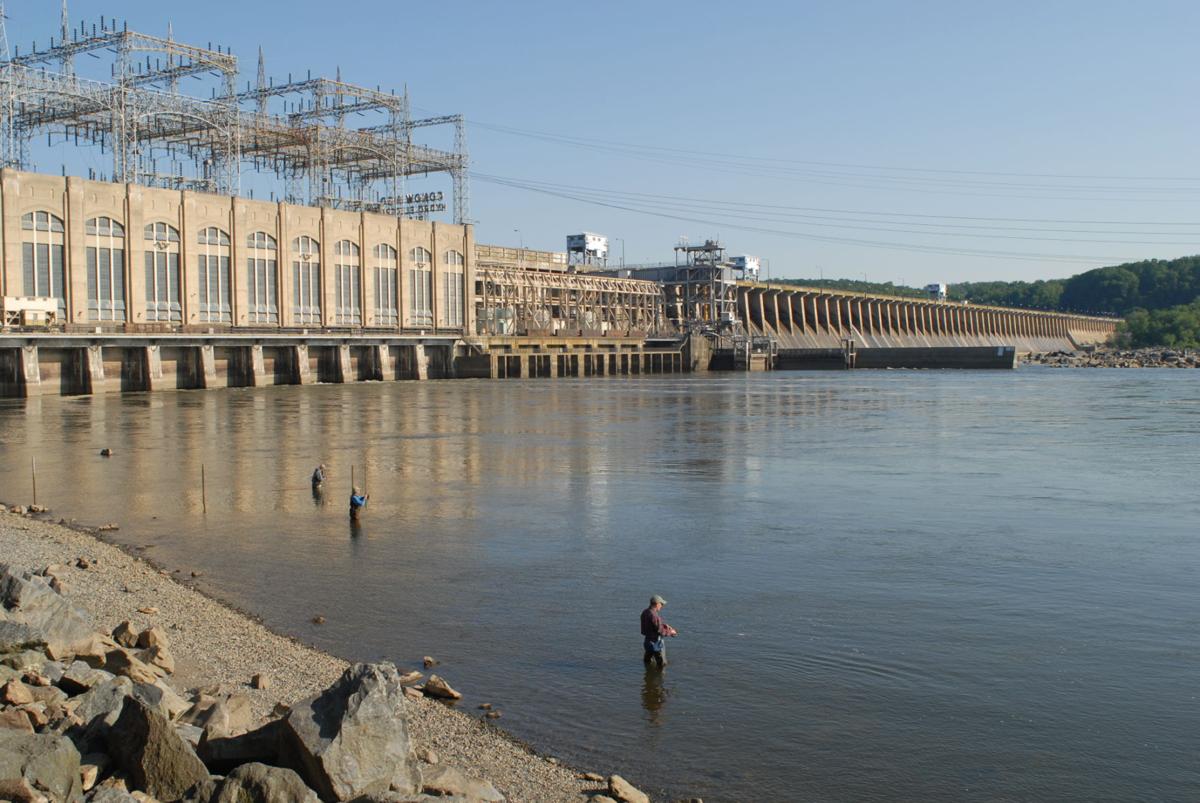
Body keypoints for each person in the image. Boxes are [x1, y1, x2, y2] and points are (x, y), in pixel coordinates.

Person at [640, 594, 677, 668]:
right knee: (662, 665)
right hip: (656, 644)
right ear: (657, 604)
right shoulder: (654, 616)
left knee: (647, 661)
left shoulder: (645, 612)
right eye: (661, 604)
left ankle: (647, 676)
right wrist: (671, 632)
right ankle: (659, 678)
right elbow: (660, 631)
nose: (662, 606)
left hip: (647, 642)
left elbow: (650, 626)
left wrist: (663, 625)